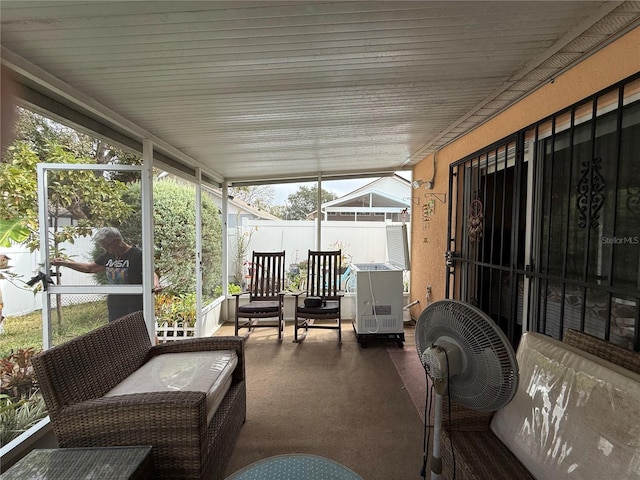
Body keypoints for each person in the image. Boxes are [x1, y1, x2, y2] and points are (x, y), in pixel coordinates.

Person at [52, 227, 160, 322]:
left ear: (117, 241)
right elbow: (90, 268)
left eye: (107, 246)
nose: (106, 249)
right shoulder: (109, 256)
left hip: (134, 305)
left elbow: (151, 273)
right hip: (115, 305)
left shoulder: (136, 255)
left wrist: (156, 285)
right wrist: (65, 263)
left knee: (141, 334)